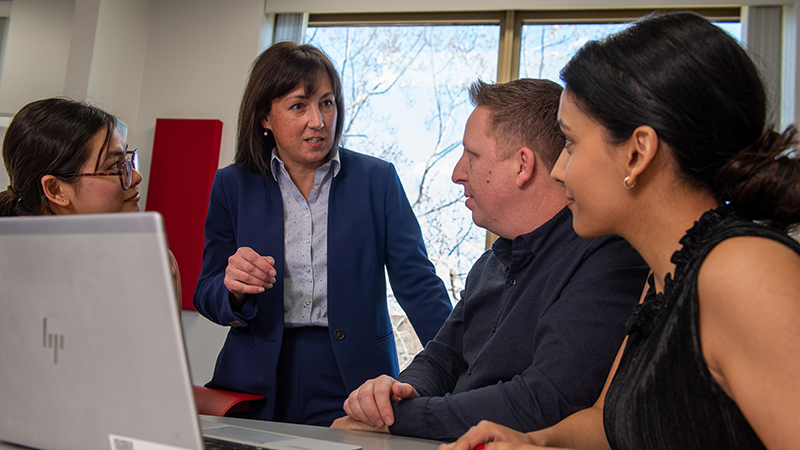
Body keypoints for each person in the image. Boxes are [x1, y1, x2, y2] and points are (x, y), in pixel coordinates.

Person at [442, 11, 800, 450]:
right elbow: (609, 423)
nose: (557, 168)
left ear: (637, 152)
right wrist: (531, 442)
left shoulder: (743, 270)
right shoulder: (664, 276)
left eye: (570, 143)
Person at [331, 79, 649, 440]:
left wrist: (396, 420)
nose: (456, 173)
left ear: (522, 166)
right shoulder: (490, 264)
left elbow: (545, 401)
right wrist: (395, 396)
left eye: (472, 155)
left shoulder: (605, 257)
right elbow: (440, 359)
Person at [192, 41, 453, 426]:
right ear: (265, 116)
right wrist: (231, 287)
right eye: (299, 106)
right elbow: (206, 293)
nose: (318, 120)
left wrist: (461, 361)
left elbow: (418, 284)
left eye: (327, 103)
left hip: (355, 381)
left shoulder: (377, 180)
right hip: (256, 378)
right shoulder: (233, 185)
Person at [0, 97, 182, 303]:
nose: (136, 176)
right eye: (114, 166)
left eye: (128, 160)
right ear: (56, 189)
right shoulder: (12, 264)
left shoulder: (151, 260)